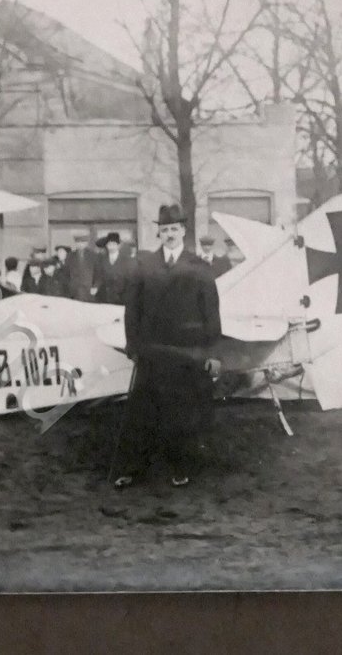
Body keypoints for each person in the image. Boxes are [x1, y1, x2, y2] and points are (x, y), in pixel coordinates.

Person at [111, 204, 223, 489]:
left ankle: (180, 469)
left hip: (187, 353)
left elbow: (211, 313)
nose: (170, 234)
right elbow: (131, 309)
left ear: (183, 231)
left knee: (182, 413)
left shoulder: (200, 267)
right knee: (141, 414)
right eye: (164, 230)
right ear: (158, 233)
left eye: (174, 229)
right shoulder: (144, 266)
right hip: (152, 351)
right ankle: (131, 469)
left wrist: (213, 353)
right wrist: (132, 344)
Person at [94, 232, 135, 305]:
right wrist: (95, 287)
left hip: (121, 299)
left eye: (114, 244)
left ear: (118, 245)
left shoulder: (126, 260)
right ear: (106, 245)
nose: (111, 246)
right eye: (109, 244)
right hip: (105, 298)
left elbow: (130, 279)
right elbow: (99, 277)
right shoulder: (101, 260)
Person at [66, 233, 100, 302]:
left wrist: (95, 286)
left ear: (86, 243)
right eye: (78, 242)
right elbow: (66, 273)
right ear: (76, 243)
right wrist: (70, 286)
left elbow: (99, 274)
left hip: (89, 290)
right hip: (74, 291)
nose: (81, 244)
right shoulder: (70, 256)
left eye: (83, 242)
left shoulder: (94, 255)